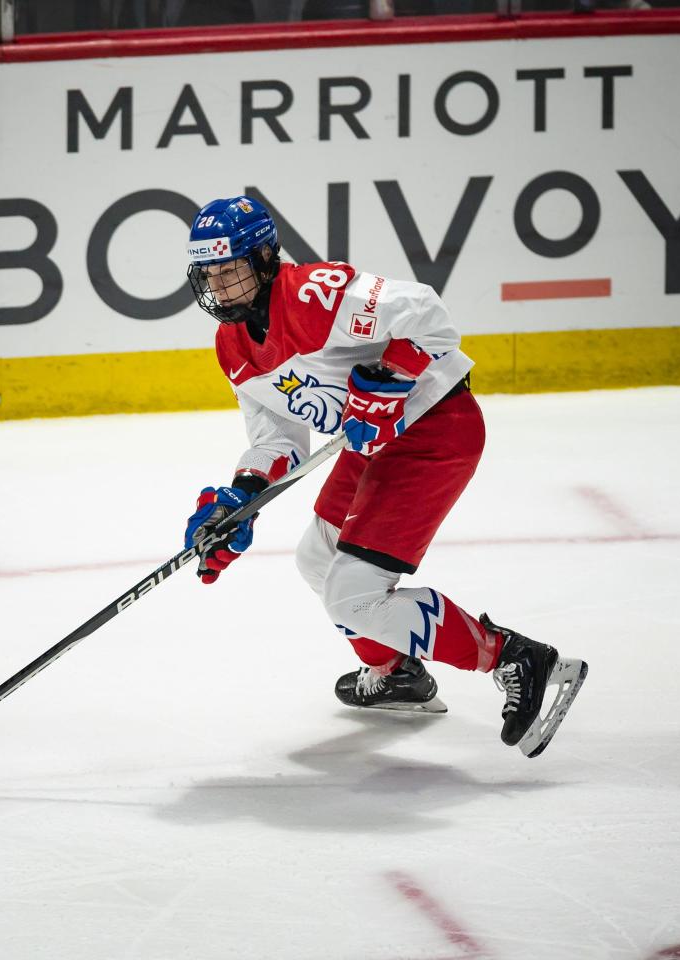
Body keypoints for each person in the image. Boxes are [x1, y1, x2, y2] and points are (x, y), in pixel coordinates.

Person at [182, 196, 587, 758]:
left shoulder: (311, 293)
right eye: (210, 274)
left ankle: (516, 656)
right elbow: (276, 438)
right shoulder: (231, 347)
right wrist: (239, 499)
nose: (222, 287)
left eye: (232, 270)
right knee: (317, 562)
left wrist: (392, 375)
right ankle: (399, 675)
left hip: (432, 430)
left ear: (267, 257)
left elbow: (426, 314)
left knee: (353, 598)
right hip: (372, 444)